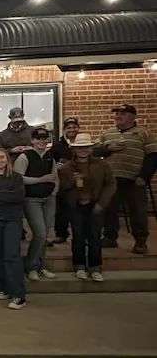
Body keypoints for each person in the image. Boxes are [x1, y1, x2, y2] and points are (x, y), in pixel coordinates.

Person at [94, 104, 157, 253]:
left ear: (133, 116)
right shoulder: (107, 133)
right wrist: (107, 149)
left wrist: (144, 176)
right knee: (109, 209)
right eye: (116, 114)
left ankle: (140, 241)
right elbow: (94, 151)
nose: (118, 116)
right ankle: (110, 238)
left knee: (138, 211)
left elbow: (153, 156)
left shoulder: (144, 133)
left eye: (122, 113)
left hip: (134, 180)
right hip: (111, 180)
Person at [58, 134, 115, 282]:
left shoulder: (102, 165)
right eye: (80, 148)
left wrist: (102, 203)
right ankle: (79, 266)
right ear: (75, 149)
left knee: (95, 236)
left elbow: (110, 184)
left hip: (96, 204)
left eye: (86, 147)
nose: (83, 150)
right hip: (76, 206)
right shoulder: (66, 168)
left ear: (91, 149)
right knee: (78, 236)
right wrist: (72, 181)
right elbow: (62, 189)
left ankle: (95, 267)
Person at [0, 148, 27, 310]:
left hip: (12, 220)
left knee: (12, 255)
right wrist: (6, 195)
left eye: (2, 157)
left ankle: (18, 295)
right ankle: (3, 288)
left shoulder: (16, 178)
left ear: (7, 160)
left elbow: (19, 197)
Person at [14, 127, 59, 281]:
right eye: (38, 138)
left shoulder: (50, 157)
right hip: (31, 199)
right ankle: (31, 265)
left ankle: (41, 265)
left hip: (48, 199)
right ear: (32, 140)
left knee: (45, 234)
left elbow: (54, 177)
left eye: (44, 138)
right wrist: (40, 180)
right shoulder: (24, 157)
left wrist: (53, 192)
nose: (41, 141)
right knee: (39, 233)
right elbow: (18, 178)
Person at [50, 116, 80, 244]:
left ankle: (79, 234)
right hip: (63, 182)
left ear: (78, 128)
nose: (72, 129)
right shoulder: (58, 146)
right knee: (61, 210)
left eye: (74, 127)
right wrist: (55, 166)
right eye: (69, 127)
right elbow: (50, 160)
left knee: (78, 210)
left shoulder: (83, 143)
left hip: (79, 182)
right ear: (64, 130)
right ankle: (61, 234)